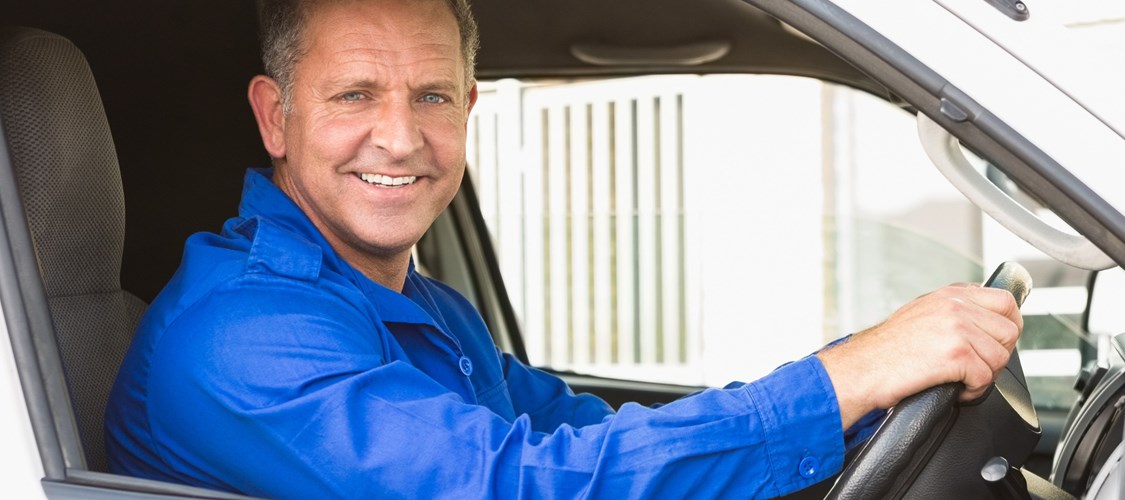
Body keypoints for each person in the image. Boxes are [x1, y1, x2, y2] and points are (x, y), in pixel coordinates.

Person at [103, 0, 1023, 497]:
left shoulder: (422, 306)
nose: (398, 138)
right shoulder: (240, 334)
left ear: (466, 112)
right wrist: (847, 376)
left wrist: (869, 394)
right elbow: (510, 486)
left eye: (430, 97)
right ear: (276, 116)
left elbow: (574, 434)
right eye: (354, 96)